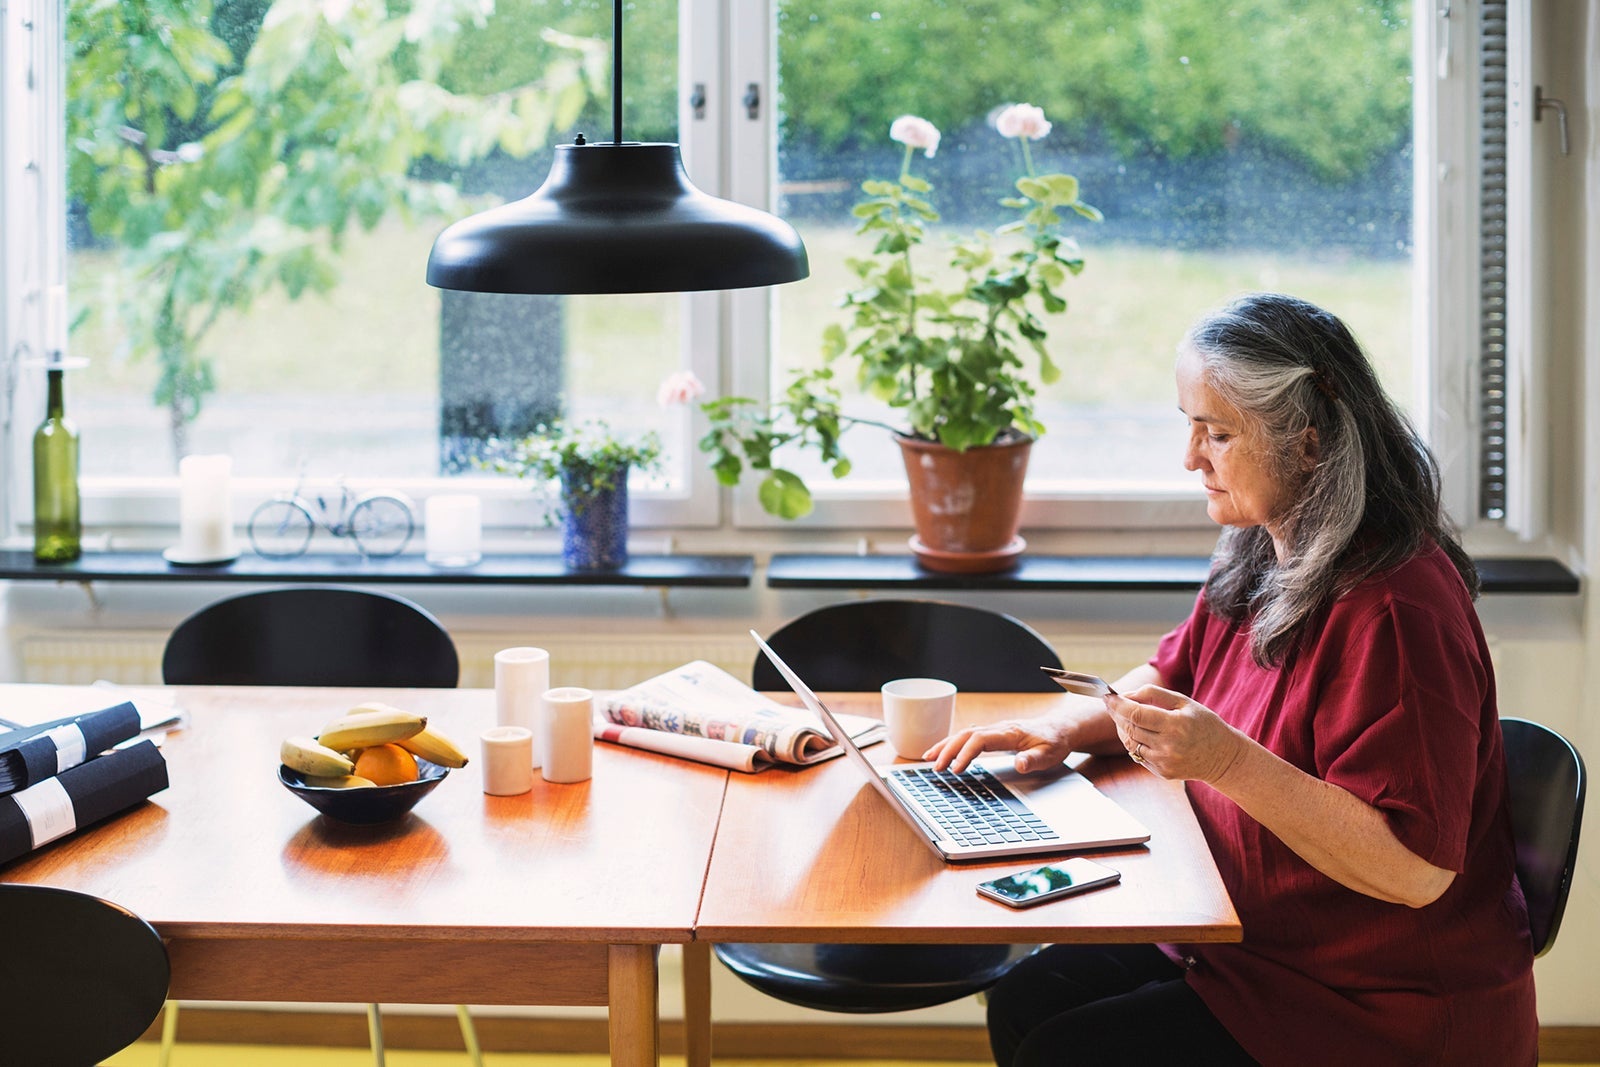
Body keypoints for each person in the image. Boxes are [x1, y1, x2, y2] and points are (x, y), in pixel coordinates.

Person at [926, 293, 1537, 1067]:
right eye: (1189, 425)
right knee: (1027, 999)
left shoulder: (1396, 610)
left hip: (1376, 1005)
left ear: (1308, 446)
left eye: (1217, 433)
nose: (1191, 457)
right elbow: (1174, 671)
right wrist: (1066, 728)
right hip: (1244, 940)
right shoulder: (1262, 544)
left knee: (1065, 1050)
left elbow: (1413, 869)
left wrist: (1225, 759)